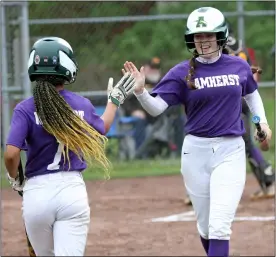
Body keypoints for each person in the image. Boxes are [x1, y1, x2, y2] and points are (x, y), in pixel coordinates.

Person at [122, 7, 272, 257]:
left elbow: (252, 94)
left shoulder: (238, 66)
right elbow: (157, 108)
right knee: (205, 226)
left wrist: (263, 123)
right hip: (195, 153)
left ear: (220, 36)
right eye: (198, 36)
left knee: (219, 226)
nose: (203, 41)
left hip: (230, 150)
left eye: (208, 35)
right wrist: (140, 92)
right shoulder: (181, 72)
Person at [4, 37, 136, 256]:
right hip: (71, 192)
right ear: (67, 67)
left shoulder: (24, 109)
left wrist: (15, 179)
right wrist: (115, 100)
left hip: (36, 194)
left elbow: (11, 154)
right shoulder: (81, 104)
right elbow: (102, 127)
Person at [183, 23, 275, 205]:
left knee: (220, 140)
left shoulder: (220, 45)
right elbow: (253, 76)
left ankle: (268, 179)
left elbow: (212, 69)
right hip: (243, 95)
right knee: (240, 142)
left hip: (226, 98)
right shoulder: (241, 46)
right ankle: (267, 180)